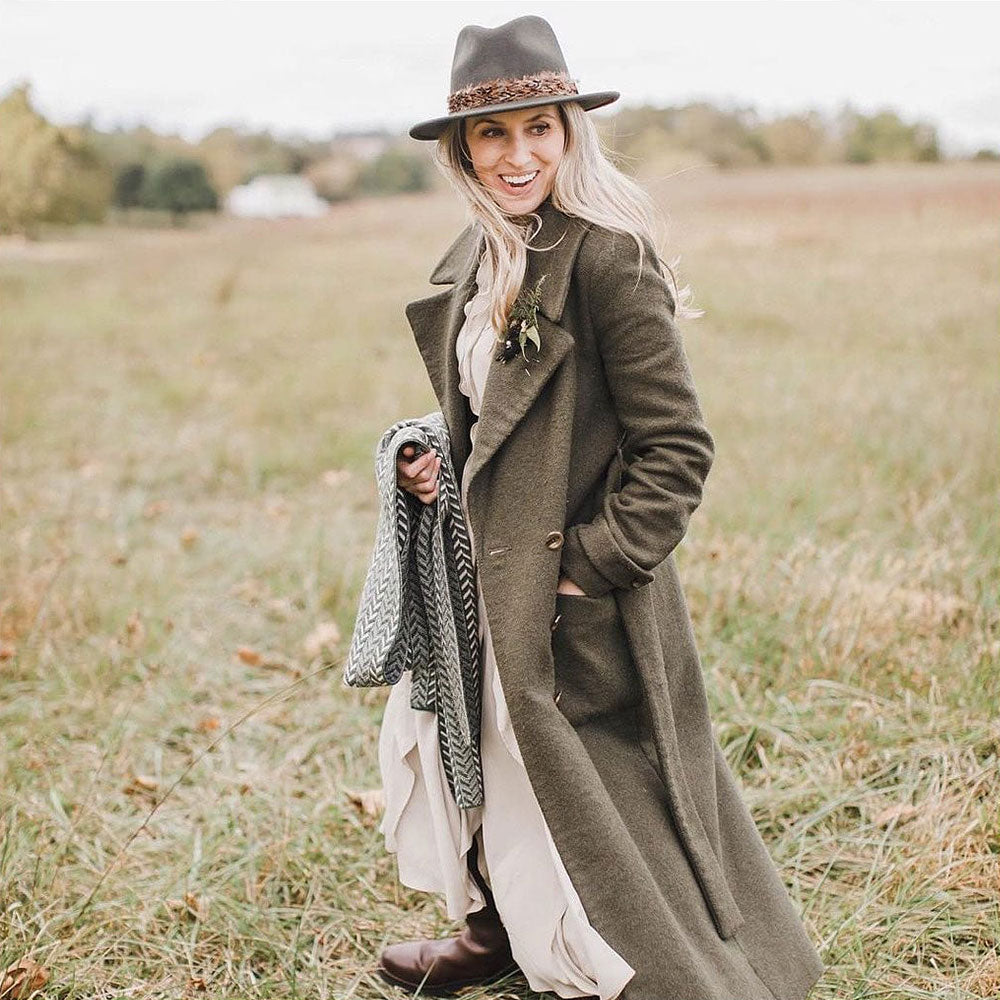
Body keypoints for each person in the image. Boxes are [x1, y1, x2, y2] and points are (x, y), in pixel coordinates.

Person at [376, 14, 825, 1000]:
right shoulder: (478, 261)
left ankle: (654, 967)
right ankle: (495, 925)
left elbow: (676, 452)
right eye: (493, 135)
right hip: (482, 573)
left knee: (609, 802)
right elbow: (492, 424)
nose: (518, 153)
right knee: (481, 751)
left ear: (569, 131)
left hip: (580, 593)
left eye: (539, 127)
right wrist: (431, 466)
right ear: (461, 150)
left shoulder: (607, 259)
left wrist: (582, 565)